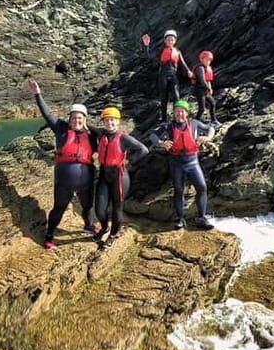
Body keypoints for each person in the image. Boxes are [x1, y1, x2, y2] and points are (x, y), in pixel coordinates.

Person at [28, 80, 100, 249]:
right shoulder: (60, 129)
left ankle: (88, 226)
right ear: (70, 119)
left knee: (88, 206)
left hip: (86, 180)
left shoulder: (91, 135)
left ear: (84, 119)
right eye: (74, 118)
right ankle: (50, 235)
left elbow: (109, 142)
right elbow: (47, 114)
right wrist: (38, 95)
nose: (76, 120)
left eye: (80, 118)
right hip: (64, 181)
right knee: (58, 208)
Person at [149, 99, 215, 230]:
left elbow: (211, 128)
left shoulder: (194, 123)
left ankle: (202, 217)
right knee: (179, 191)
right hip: (176, 163)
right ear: (173, 112)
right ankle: (180, 219)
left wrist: (208, 138)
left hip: (192, 162)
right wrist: (161, 143)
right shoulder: (168, 126)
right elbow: (152, 136)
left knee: (202, 187)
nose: (180, 114)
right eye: (177, 111)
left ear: (187, 113)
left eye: (182, 111)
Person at [91, 107, 149, 251]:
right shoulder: (101, 133)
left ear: (118, 121)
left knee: (117, 208)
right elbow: (87, 127)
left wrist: (128, 161)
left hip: (119, 176)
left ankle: (113, 235)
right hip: (104, 174)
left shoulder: (124, 138)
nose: (109, 122)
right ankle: (104, 228)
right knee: (99, 209)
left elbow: (143, 150)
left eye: (112, 120)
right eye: (106, 120)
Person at [142, 30, 193, 122]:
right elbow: (148, 56)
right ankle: (164, 120)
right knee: (164, 98)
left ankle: (177, 118)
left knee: (176, 97)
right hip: (163, 75)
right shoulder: (161, 50)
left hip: (173, 75)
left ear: (175, 41)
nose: (170, 42)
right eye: (168, 40)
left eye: (172, 40)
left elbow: (182, 63)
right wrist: (146, 45)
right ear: (165, 41)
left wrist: (189, 71)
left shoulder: (177, 51)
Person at [191, 50, 220, 127]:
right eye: (206, 59)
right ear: (201, 59)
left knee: (212, 103)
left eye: (209, 60)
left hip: (205, 90)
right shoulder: (199, 68)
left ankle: (214, 120)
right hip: (199, 90)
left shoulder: (208, 68)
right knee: (202, 108)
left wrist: (210, 89)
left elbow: (208, 80)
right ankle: (196, 121)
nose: (208, 61)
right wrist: (208, 89)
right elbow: (202, 80)